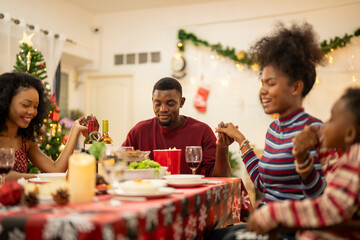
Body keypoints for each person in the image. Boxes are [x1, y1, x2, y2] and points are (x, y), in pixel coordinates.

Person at [216, 22, 328, 206]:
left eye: (271, 83)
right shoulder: (274, 129)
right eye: (263, 83)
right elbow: (263, 184)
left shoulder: (315, 130)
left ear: (296, 87)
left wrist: (304, 162)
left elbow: (321, 196)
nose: (263, 91)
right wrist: (239, 138)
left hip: (289, 228)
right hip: (265, 220)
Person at [246, 87, 360, 240]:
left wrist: (273, 213)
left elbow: (329, 208)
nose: (324, 124)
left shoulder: (354, 163)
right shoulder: (346, 159)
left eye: (331, 119)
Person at [122, 77, 231, 177]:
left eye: (170, 103)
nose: (163, 109)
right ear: (152, 102)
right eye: (157, 104)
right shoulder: (139, 131)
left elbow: (220, 177)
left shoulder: (202, 131)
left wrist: (223, 147)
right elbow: (119, 164)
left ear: (181, 102)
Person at [0, 72, 89, 181]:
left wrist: (75, 130)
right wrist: (33, 178)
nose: (32, 111)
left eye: (36, 106)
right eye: (25, 105)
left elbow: (56, 170)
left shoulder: (26, 141)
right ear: (5, 102)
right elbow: (4, 176)